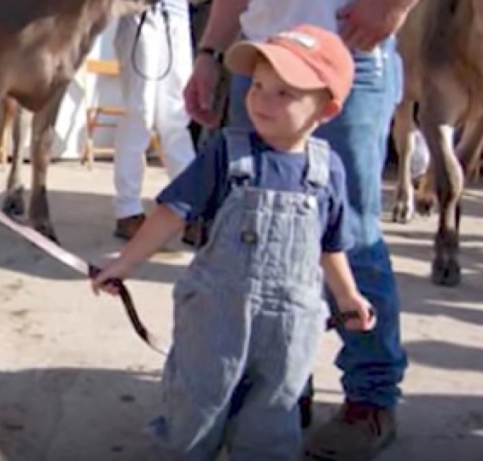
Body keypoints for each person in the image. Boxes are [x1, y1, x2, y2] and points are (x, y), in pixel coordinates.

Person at [92, 24, 376, 460]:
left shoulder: (328, 171)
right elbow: (173, 211)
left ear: (327, 109)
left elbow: (329, 245)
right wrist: (126, 263)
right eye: (259, 86)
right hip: (215, 319)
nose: (263, 99)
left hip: (289, 329)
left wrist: (347, 294)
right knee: (195, 408)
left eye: (285, 93)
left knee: (273, 416)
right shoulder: (228, 151)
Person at [183, 0, 415, 459]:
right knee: (260, 227)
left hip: (346, 56)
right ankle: (282, 386)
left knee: (348, 232)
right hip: (263, 60)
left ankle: (371, 399)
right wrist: (209, 53)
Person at [110, 0, 197, 240]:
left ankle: (192, 208)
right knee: (140, 113)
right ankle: (128, 210)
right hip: (140, 13)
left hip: (177, 14)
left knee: (176, 117)